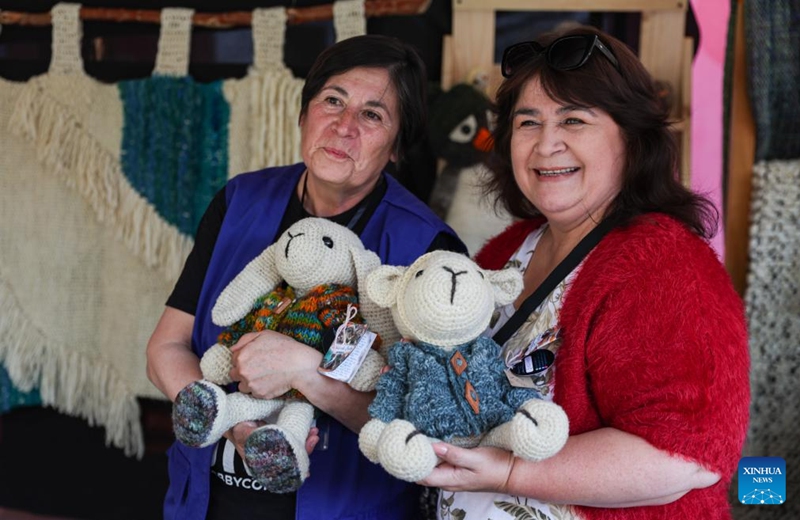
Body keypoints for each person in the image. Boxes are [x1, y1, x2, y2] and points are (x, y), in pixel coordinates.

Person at [419, 25, 750, 520]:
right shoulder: (507, 251)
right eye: (528, 122)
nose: (546, 144)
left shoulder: (665, 265)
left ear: (632, 138)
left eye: (574, 120)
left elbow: (684, 457)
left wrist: (510, 472)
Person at [146, 34, 466, 520]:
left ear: (397, 147)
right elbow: (166, 348)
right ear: (304, 113)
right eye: (333, 100)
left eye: (372, 115)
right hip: (205, 502)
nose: (343, 127)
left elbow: (428, 429)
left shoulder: (426, 249)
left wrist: (305, 375)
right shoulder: (240, 201)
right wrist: (234, 426)